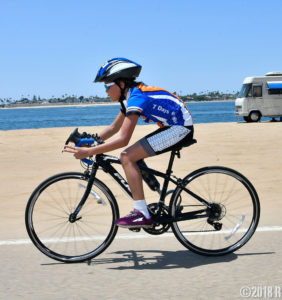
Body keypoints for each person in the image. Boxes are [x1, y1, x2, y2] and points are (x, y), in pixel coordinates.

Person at [63, 57, 194, 228]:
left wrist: (90, 152)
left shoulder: (136, 97)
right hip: (172, 126)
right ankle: (158, 193)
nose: (106, 91)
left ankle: (142, 213)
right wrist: (93, 142)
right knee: (133, 156)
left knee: (127, 156)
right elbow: (113, 128)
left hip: (180, 128)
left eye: (107, 86)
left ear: (121, 83)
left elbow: (123, 139)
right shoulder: (129, 97)